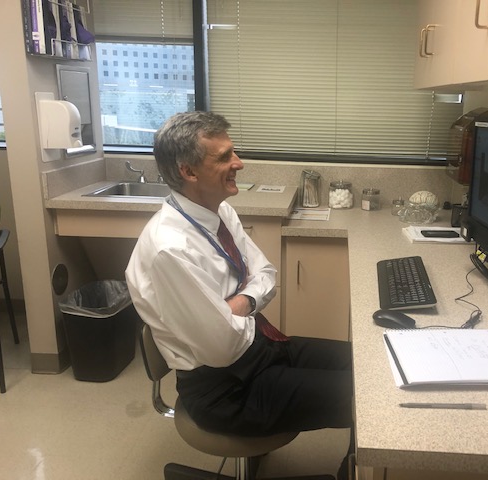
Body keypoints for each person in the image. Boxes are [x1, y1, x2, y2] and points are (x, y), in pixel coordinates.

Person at [125, 111, 353, 470]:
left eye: (234, 152)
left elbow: (265, 273)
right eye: (224, 157)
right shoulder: (170, 249)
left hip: (261, 351)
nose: (239, 163)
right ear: (188, 171)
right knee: (365, 397)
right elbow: (222, 348)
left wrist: (237, 304)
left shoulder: (220, 213)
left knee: (365, 366)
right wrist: (242, 308)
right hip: (226, 390)